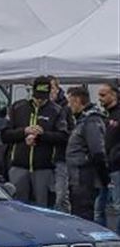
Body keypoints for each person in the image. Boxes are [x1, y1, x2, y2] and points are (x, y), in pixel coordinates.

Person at [0, 78, 67, 208]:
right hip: (19, 165)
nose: (40, 100)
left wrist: (41, 135)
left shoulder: (56, 110)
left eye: (43, 98)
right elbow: (4, 135)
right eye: (37, 97)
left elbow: (63, 137)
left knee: (42, 206)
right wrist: (24, 132)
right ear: (32, 93)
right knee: (18, 205)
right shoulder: (18, 107)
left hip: (44, 167)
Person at [64, 86, 109, 222]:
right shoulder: (83, 120)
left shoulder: (91, 121)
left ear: (77, 101)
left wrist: (104, 178)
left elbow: (97, 151)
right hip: (78, 177)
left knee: (83, 216)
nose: (69, 106)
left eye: (70, 102)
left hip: (84, 178)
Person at [50, 78, 75, 213]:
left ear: (57, 89)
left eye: (51, 88)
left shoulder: (65, 108)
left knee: (61, 196)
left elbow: (70, 133)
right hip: (43, 158)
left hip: (60, 157)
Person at [97, 82, 120, 227]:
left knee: (117, 207)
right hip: (103, 168)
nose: (100, 98)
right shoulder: (103, 115)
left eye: (103, 95)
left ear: (114, 95)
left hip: (116, 167)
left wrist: (115, 155)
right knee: (100, 207)